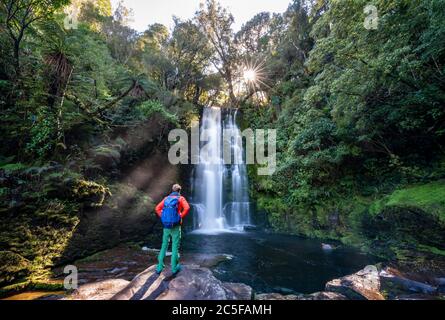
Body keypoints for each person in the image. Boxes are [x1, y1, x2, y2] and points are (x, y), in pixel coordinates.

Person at [155, 184, 190, 275]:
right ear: (179, 191)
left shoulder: (166, 198)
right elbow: (187, 208)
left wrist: (163, 217)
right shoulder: (181, 198)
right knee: (175, 247)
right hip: (176, 226)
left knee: (164, 245)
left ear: (172, 190)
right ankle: (174, 268)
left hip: (166, 226)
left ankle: (159, 267)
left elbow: (157, 208)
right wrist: (180, 216)